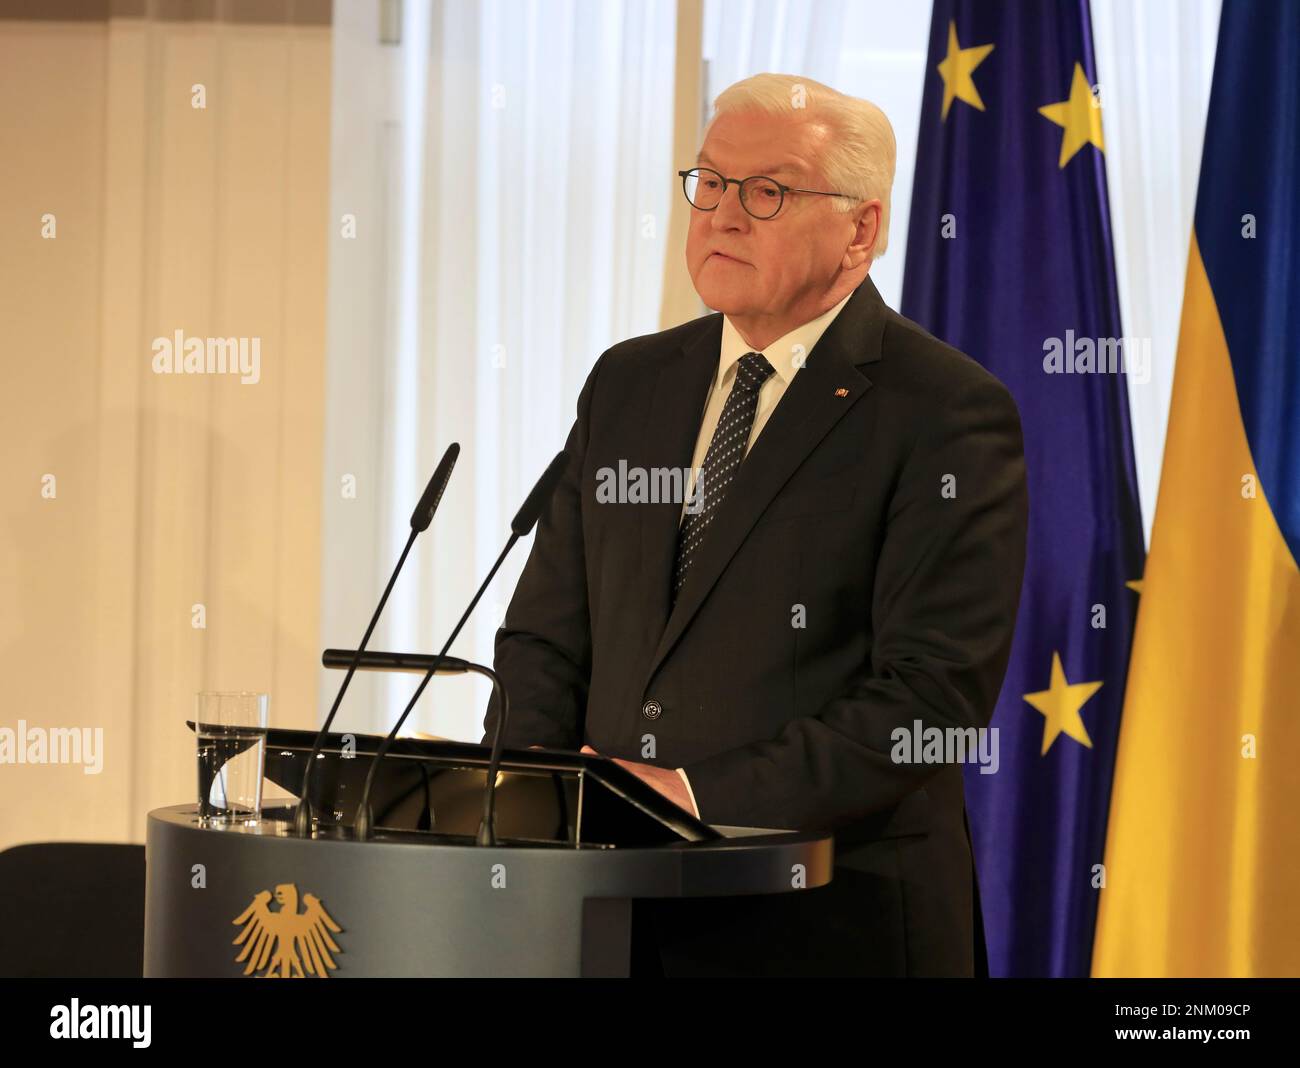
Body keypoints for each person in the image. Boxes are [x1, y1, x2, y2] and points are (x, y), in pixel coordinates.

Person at [482, 72, 1027, 976]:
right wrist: (535, 792)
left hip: (824, 920)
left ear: (863, 229)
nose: (723, 216)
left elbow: (929, 698)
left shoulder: (946, 410)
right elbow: (545, 633)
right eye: (709, 183)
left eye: (767, 191)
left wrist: (689, 794)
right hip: (608, 918)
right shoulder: (629, 383)